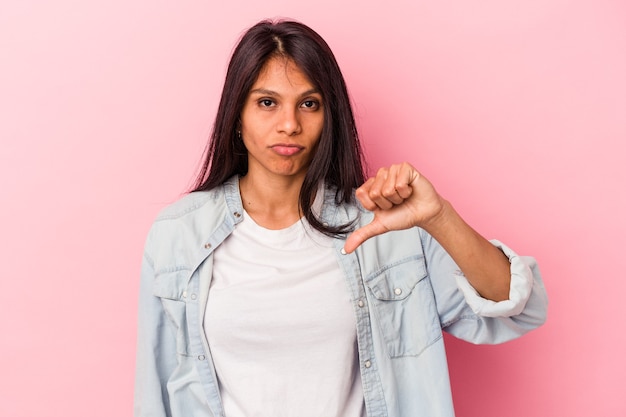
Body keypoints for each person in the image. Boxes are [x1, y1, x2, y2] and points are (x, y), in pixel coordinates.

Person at [134, 19, 548, 417]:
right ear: (237, 118)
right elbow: (156, 395)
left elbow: (517, 310)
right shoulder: (178, 236)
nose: (290, 124)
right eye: (267, 103)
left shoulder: (385, 228)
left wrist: (438, 217)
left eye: (309, 104)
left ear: (328, 118)